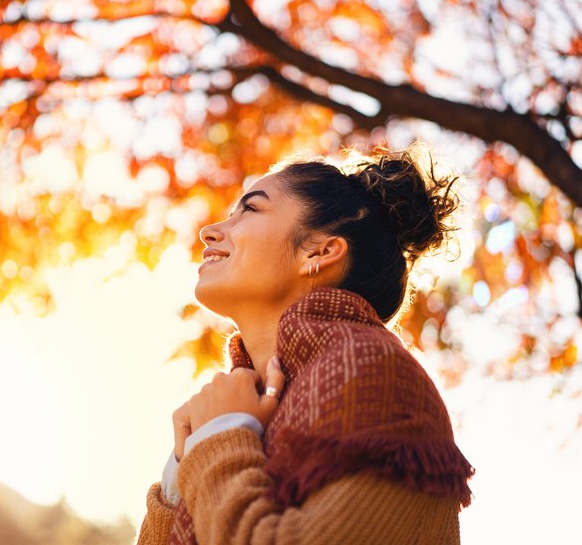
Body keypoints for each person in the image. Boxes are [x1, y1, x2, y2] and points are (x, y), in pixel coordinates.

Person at [136, 146, 476, 545]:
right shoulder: (240, 400)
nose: (209, 231)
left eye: (250, 210)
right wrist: (181, 470)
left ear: (319, 251)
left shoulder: (375, 375)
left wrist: (220, 438)